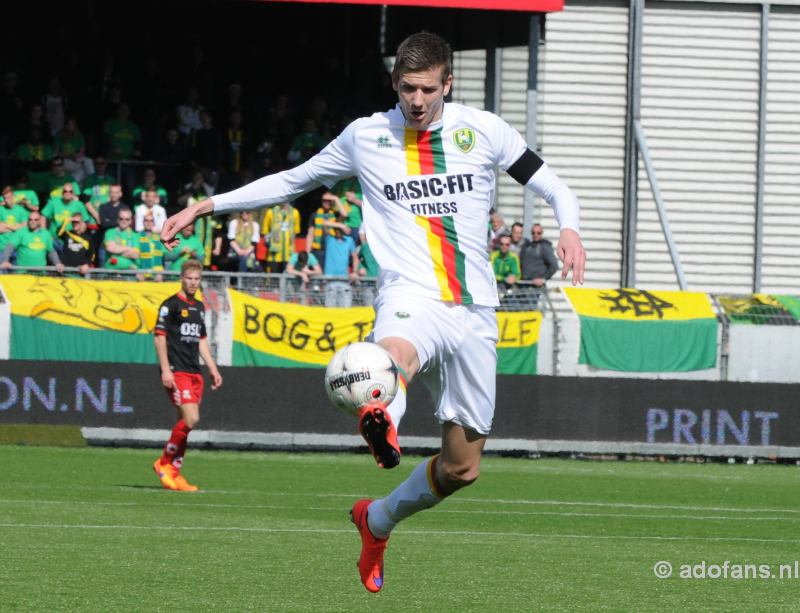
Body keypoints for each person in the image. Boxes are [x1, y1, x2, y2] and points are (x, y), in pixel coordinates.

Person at [160, 31, 585, 593]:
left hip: (477, 309)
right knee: (394, 357)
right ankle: (381, 415)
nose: (416, 99)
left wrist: (570, 226)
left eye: (427, 89)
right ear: (395, 84)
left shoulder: (482, 130)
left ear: (447, 84)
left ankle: (376, 519)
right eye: (407, 88)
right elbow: (293, 181)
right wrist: (206, 206)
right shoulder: (366, 136)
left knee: (462, 468)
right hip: (411, 295)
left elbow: (552, 184)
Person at [153, 259, 222, 492]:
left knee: (184, 423)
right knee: (191, 419)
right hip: (177, 370)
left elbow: (201, 339)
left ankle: (174, 472)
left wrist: (212, 367)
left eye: (197, 279)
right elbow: (159, 337)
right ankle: (163, 463)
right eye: (189, 278)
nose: (193, 283)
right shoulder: (170, 305)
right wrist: (165, 368)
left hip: (194, 372)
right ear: (181, 278)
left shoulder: (199, 307)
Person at [519, 223, 558, 287]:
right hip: (525, 283)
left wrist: (543, 278)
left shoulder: (545, 247)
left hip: (537, 287)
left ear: (542, 233)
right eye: (533, 233)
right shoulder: (527, 246)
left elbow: (554, 266)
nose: (535, 235)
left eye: (538, 233)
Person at [103, 206, 139, 270]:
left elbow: (135, 254)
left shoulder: (136, 235)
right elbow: (110, 248)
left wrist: (116, 253)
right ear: (117, 219)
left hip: (129, 273)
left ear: (131, 221)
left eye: (127, 219)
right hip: (111, 272)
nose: (124, 221)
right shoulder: (110, 232)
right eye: (121, 218)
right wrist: (129, 248)